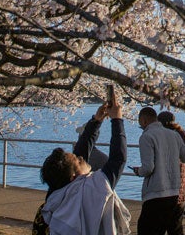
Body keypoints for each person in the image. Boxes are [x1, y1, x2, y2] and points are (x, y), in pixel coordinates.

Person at [36, 100, 129, 235]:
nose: (81, 158)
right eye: (78, 161)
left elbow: (80, 152)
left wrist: (96, 121)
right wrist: (117, 120)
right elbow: (118, 158)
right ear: (74, 176)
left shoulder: (55, 195)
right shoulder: (93, 188)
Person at [131, 106, 185, 235]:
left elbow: (148, 168)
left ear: (143, 120)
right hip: (174, 193)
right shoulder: (175, 135)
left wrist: (138, 171)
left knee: (147, 230)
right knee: (174, 230)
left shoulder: (146, 136)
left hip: (155, 193)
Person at [157, 112, 185, 212]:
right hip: (182, 185)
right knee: (176, 223)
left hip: (167, 189)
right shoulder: (182, 135)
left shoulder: (163, 137)